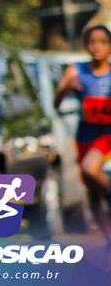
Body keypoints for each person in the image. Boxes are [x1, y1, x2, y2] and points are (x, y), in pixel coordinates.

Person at [54, 24, 111, 241]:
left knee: (89, 169)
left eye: (103, 42)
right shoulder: (76, 70)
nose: (97, 47)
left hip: (107, 133)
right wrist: (66, 87)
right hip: (85, 135)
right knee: (92, 195)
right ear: (86, 46)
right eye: (92, 42)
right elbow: (56, 102)